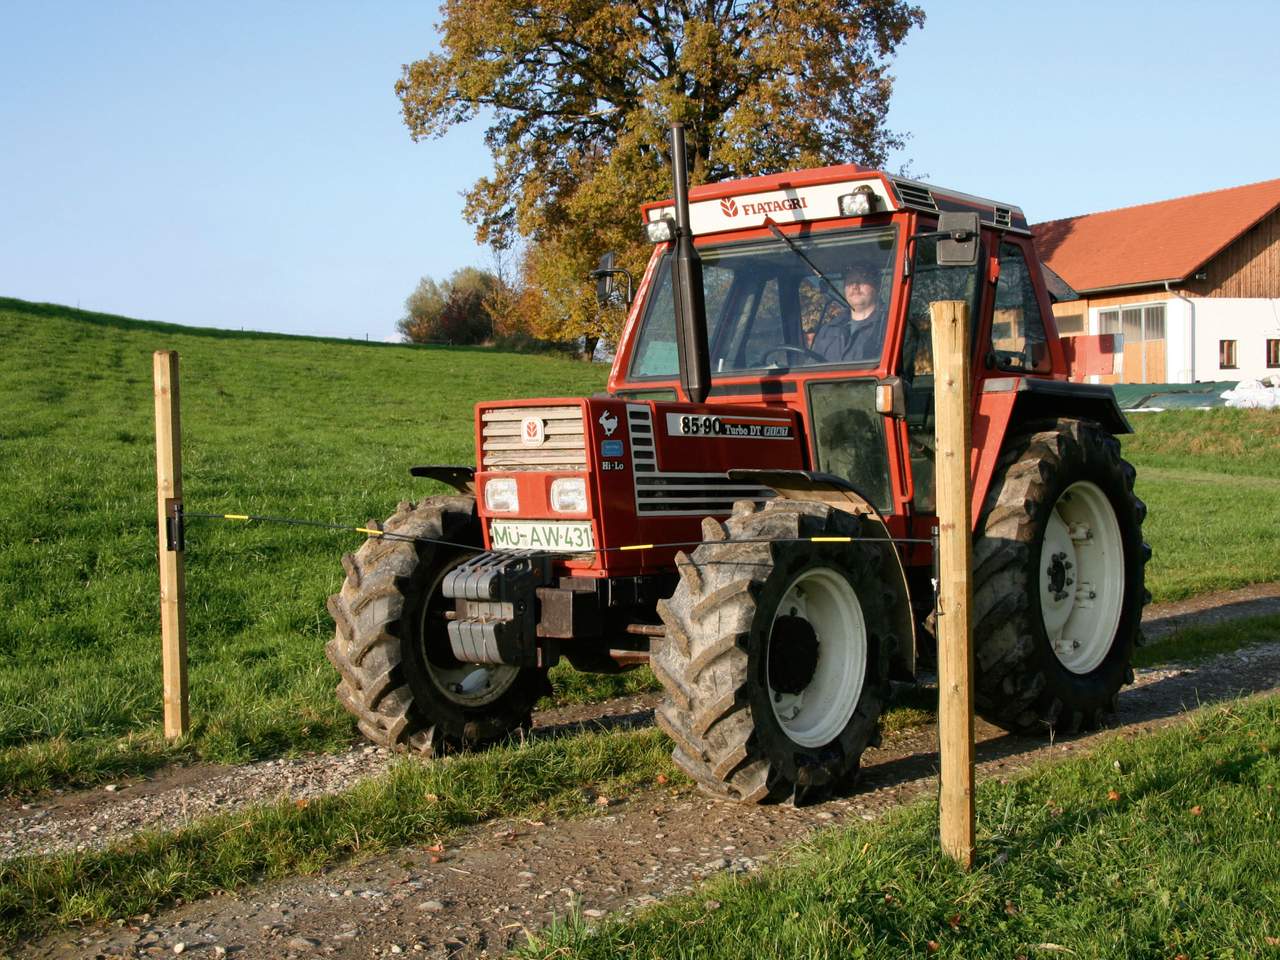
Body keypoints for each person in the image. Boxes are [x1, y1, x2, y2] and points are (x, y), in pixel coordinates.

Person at [811, 259, 885, 363]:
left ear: (877, 286)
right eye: (850, 281)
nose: (855, 287)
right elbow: (812, 366)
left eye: (862, 280)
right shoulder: (828, 330)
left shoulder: (889, 326)